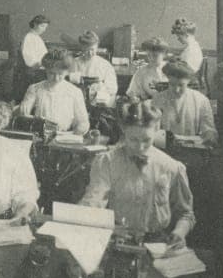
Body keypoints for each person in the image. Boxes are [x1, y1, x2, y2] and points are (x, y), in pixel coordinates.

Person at [79, 101, 195, 247]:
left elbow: (186, 214)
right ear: (123, 130)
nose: (140, 147)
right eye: (133, 140)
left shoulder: (171, 167)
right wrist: (85, 216)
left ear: (157, 129)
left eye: (147, 140)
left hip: (157, 243)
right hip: (118, 239)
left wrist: (179, 233)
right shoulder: (107, 162)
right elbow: (94, 200)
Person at [20, 50, 90, 134]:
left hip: (64, 137)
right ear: (45, 70)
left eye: (60, 74)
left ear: (67, 72)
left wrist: (74, 133)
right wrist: (23, 111)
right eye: (51, 73)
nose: (56, 78)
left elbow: (83, 123)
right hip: (39, 135)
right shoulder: (35, 89)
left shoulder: (75, 92)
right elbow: (24, 115)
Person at [153, 60, 217, 144]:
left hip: (192, 150)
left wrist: (209, 135)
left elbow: (209, 130)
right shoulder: (158, 99)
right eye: (172, 84)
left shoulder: (201, 100)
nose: (176, 90)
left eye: (181, 85)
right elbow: (152, 129)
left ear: (188, 82)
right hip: (165, 147)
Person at [67, 30, 118, 105]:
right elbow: (67, 84)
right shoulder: (74, 63)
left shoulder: (105, 65)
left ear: (97, 47)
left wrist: (99, 89)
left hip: (98, 100)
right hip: (77, 100)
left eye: (92, 49)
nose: (90, 53)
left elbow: (112, 88)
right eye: (86, 50)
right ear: (82, 48)